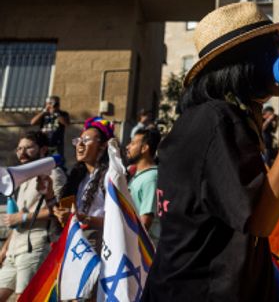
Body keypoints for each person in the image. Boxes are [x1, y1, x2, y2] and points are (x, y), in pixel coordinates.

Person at [142, 0, 279, 301]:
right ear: (252, 59)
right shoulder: (220, 121)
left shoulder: (201, 119)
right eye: (276, 48)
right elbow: (261, 220)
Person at [0, 131, 65, 301]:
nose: (21, 152)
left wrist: (21, 218)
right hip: (14, 248)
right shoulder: (21, 177)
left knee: (26, 298)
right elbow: (19, 216)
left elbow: (58, 210)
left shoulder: (54, 174)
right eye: (19, 148)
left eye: (28, 148)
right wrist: (5, 249)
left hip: (35, 245)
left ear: (43, 150)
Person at [55, 117, 114, 247]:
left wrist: (81, 218)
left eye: (86, 140)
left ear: (103, 146)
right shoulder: (78, 177)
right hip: (74, 239)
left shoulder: (109, 175)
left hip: (96, 241)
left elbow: (116, 220)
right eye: (78, 140)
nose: (79, 144)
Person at [126, 126, 160, 243]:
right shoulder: (138, 175)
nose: (128, 147)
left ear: (144, 148)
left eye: (133, 143)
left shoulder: (151, 178)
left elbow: (145, 221)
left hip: (145, 250)